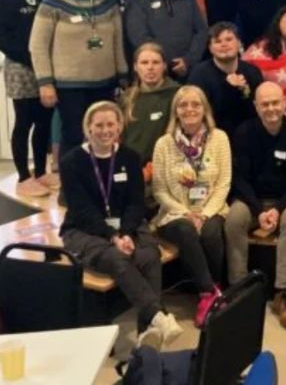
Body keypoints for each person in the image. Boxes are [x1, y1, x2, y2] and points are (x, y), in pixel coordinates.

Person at [59, 101, 182, 350]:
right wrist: (113, 236)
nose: (105, 130)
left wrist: (125, 232)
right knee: (116, 258)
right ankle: (158, 318)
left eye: (111, 125)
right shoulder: (72, 161)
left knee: (149, 254)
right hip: (84, 229)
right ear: (88, 128)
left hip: (127, 226)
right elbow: (82, 210)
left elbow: (135, 203)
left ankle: (145, 333)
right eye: (99, 125)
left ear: (119, 127)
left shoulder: (129, 157)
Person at [226, 83, 286, 330]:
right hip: (251, 199)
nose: (271, 108)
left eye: (275, 102)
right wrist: (258, 210)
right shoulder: (243, 132)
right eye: (265, 104)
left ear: (284, 103)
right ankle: (238, 290)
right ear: (256, 106)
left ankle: (283, 295)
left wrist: (278, 208)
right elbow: (239, 177)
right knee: (233, 220)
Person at [29, 0, 127, 159]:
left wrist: (122, 74)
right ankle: (71, 187)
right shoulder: (52, 1)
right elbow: (37, 45)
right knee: (73, 136)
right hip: (69, 87)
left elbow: (117, 40)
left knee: (105, 135)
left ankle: (101, 182)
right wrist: (45, 82)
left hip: (105, 83)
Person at [151, 85, 230, 327]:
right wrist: (186, 213)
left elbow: (224, 183)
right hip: (173, 213)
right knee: (185, 229)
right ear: (176, 111)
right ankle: (210, 293)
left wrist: (203, 214)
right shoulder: (163, 144)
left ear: (204, 108)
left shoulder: (219, 138)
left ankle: (211, 288)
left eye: (196, 104)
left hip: (211, 208)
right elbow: (159, 190)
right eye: (183, 105)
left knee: (211, 232)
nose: (190, 109)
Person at [0, 0, 56, 196]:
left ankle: (41, 172)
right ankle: (23, 176)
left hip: (48, 66)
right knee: (24, 121)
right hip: (20, 65)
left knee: (44, 121)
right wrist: (28, 56)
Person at [125, 0, 207, 81]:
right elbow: (139, 38)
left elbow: (201, 30)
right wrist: (167, 63)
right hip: (153, 75)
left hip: (186, 72)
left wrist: (188, 60)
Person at [121, 43, 179, 205]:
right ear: (135, 67)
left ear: (164, 66)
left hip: (162, 171)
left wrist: (150, 171)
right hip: (130, 169)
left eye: (155, 62)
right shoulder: (126, 98)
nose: (150, 68)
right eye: (144, 63)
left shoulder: (177, 95)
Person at [188, 22, 263, 137]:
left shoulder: (252, 72)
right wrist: (228, 88)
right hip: (212, 136)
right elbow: (197, 113)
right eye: (217, 41)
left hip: (248, 136)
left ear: (239, 43)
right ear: (210, 48)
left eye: (229, 39)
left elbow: (259, 110)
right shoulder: (199, 74)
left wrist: (241, 91)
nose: (224, 44)